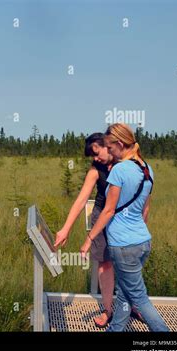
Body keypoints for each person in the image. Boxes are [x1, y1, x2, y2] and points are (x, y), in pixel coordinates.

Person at [80, 123, 169, 332]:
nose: (109, 152)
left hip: (123, 246)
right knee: (124, 294)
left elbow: (108, 210)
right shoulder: (147, 168)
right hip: (143, 242)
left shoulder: (119, 170)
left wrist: (89, 239)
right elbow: (144, 211)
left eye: (110, 148)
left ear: (120, 144)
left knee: (140, 299)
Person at [54, 133, 116, 328]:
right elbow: (81, 201)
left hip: (121, 217)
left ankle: (133, 304)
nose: (95, 158)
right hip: (100, 217)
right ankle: (108, 310)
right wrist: (65, 229)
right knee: (104, 263)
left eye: (97, 153)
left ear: (107, 145)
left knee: (126, 261)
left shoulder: (125, 164)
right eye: (92, 156)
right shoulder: (95, 170)